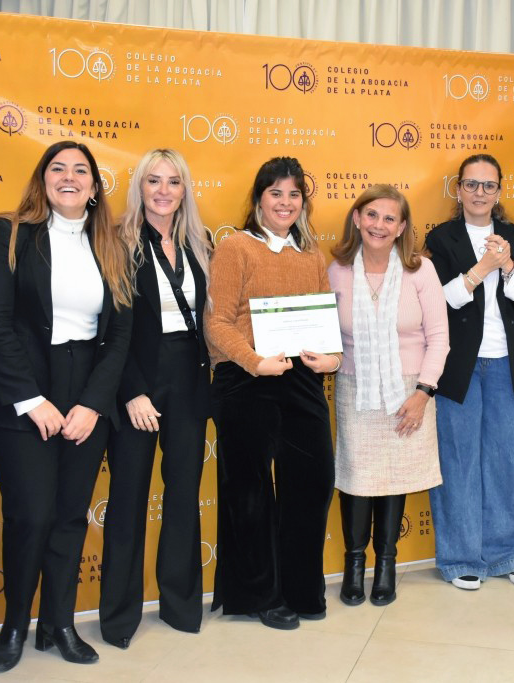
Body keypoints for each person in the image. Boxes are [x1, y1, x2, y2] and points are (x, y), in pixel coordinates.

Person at [0, 141, 132, 671]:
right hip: (22, 393)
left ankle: (58, 624)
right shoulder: (9, 234)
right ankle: (15, 623)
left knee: (68, 516)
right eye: (57, 169)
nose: (69, 177)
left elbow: (120, 336)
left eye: (80, 170)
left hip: (87, 392)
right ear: (43, 181)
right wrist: (30, 399)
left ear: (94, 185)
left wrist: (92, 403)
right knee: (31, 515)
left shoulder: (111, 245)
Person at [206, 156, 339, 630]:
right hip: (246, 380)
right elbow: (218, 322)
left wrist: (333, 360)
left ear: (303, 201)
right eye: (276, 193)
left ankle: (302, 589)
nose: (285, 202)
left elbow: (325, 328)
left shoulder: (311, 254)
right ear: (259, 198)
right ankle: (259, 594)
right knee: (251, 492)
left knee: (314, 480)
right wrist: (254, 361)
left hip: (301, 379)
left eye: (294, 194)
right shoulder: (236, 247)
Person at [99, 149, 213, 645]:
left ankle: (181, 605)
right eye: (153, 181)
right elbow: (108, 329)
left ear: (185, 189)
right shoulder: (117, 241)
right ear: (139, 188)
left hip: (189, 376)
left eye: (173, 182)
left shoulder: (200, 243)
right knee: (127, 499)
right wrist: (131, 392)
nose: (164, 191)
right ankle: (120, 617)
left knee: (184, 495)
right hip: (137, 380)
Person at [424, 154, 514, 591]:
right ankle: (460, 558)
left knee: (509, 461)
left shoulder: (513, 236)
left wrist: (508, 265)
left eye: (488, 185)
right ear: (458, 191)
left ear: (500, 191)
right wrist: (481, 270)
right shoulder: (442, 238)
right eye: (471, 184)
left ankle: (510, 554)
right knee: (458, 462)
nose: (480, 193)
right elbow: (440, 301)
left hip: (508, 364)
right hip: (458, 366)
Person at [328, 185, 449, 606]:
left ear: (401, 228)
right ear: (357, 219)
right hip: (355, 388)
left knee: (395, 478)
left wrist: (422, 394)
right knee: (358, 479)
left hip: (409, 389)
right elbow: (325, 335)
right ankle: (355, 565)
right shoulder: (336, 270)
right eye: (372, 215)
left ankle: (386, 567)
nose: (380, 224)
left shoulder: (421, 271)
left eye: (389, 218)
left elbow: (439, 338)